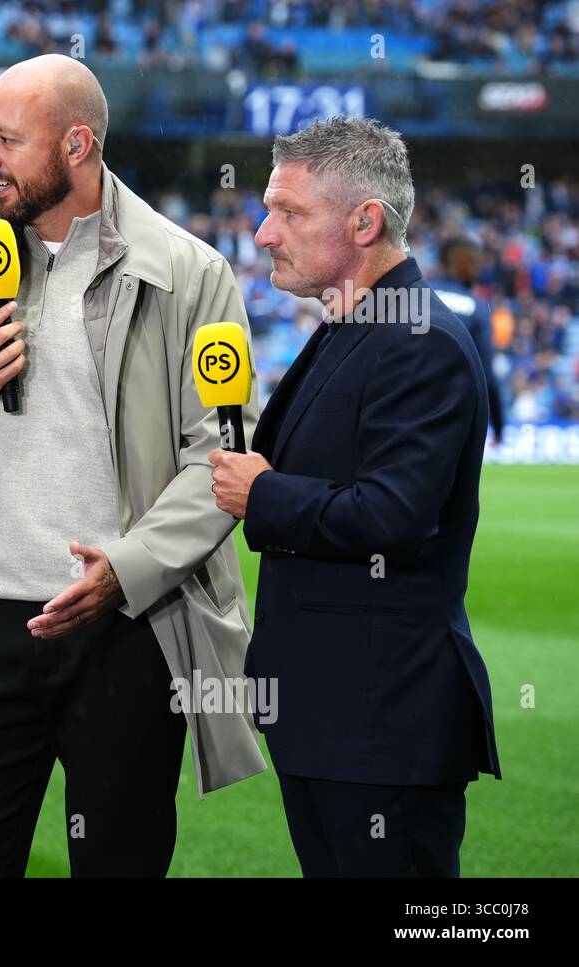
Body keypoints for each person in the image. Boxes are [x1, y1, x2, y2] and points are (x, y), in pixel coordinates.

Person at [0, 54, 265, 878]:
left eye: (5, 139)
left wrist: (124, 571)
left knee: (120, 863)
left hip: (129, 622)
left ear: (76, 145)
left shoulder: (190, 272)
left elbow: (223, 453)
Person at [209, 116, 501, 877]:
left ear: (365, 220)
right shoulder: (354, 325)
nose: (265, 234)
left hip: (382, 724)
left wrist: (264, 493)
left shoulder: (419, 340)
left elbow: (393, 517)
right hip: (335, 717)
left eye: (289, 212)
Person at [430, 236, 505, 445]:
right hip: (448, 417)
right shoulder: (477, 309)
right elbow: (487, 377)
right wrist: (498, 427)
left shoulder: (413, 294)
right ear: (469, 265)